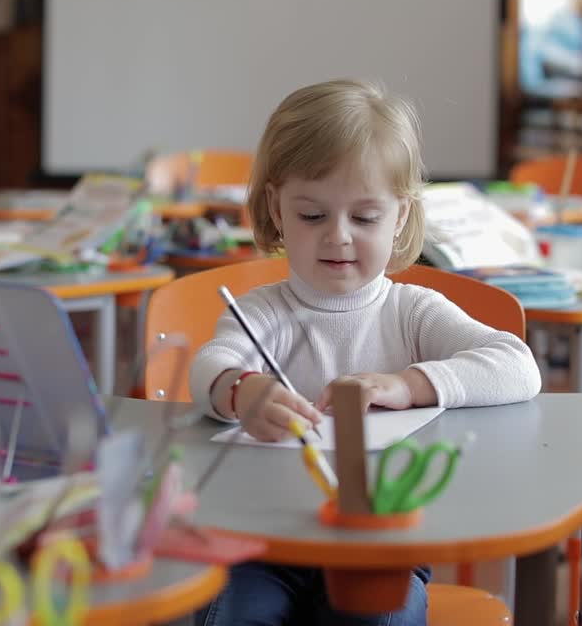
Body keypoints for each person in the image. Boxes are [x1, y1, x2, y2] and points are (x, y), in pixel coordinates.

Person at [191, 79, 542, 625]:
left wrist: (407, 385)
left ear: (400, 216)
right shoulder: (263, 312)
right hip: (264, 544)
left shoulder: (412, 311)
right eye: (312, 216)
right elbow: (209, 365)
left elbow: (517, 366)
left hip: (380, 546)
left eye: (365, 217)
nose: (338, 237)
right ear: (276, 210)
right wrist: (241, 391)